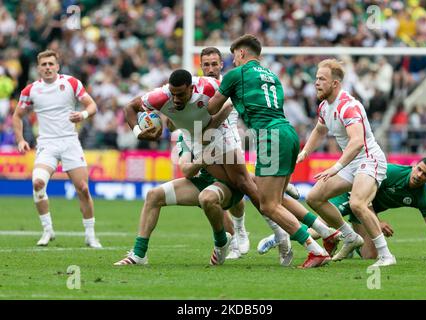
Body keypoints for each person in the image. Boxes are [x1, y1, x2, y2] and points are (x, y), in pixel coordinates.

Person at [206, 34, 331, 268]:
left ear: (242, 53)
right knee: (276, 199)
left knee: (268, 205)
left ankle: (315, 249)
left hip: (270, 136)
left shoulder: (237, 74)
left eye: (234, 56)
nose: (233, 61)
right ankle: (325, 232)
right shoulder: (272, 76)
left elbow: (212, 107)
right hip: (288, 133)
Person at [298, 58, 395, 267]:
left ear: (335, 83)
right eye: (316, 78)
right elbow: (319, 130)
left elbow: (358, 141)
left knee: (357, 204)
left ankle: (387, 256)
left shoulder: (348, 106)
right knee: (314, 197)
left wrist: (336, 167)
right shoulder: (324, 107)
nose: (316, 83)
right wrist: (305, 151)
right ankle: (350, 237)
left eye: (322, 79)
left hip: (370, 159)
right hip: (352, 162)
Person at [12, 49, 102, 248]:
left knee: (84, 189)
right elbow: (17, 116)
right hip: (47, 144)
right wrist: (20, 140)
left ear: (57, 66)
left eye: (51, 64)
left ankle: (90, 234)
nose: (47, 68)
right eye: (44, 65)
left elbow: (92, 105)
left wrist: (83, 115)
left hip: (70, 142)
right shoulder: (31, 90)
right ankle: (47, 230)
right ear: (38, 68)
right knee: (37, 183)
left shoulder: (71, 83)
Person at [114, 134, 244, 266]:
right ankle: (139, 254)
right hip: (204, 181)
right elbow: (186, 170)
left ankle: (234, 234)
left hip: (227, 182)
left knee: (216, 199)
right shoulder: (186, 136)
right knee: (153, 195)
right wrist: (203, 159)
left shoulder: (221, 129)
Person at [329, 159, 426, 261]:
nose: (419, 175)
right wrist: (377, 222)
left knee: (369, 256)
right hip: (351, 194)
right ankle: (337, 237)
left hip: (365, 210)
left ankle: (349, 240)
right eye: (419, 169)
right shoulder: (391, 172)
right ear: (414, 166)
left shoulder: (423, 198)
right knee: (318, 228)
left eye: (425, 175)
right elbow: (365, 190)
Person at [200, 47, 249, 259]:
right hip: (206, 149)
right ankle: (233, 237)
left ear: (221, 64)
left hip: (231, 144)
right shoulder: (197, 89)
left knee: (237, 187)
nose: (210, 68)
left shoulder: (230, 84)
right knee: (215, 197)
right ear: (201, 66)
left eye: (214, 64)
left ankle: (239, 230)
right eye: (206, 64)